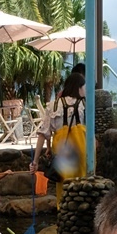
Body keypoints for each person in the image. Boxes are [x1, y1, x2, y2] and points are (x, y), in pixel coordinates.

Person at [29, 72, 87, 204]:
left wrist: (35, 161)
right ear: (78, 87)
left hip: (63, 153)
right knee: (84, 187)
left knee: (64, 189)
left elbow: (43, 134)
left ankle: (64, 216)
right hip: (82, 153)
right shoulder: (85, 104)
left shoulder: (53, 105)